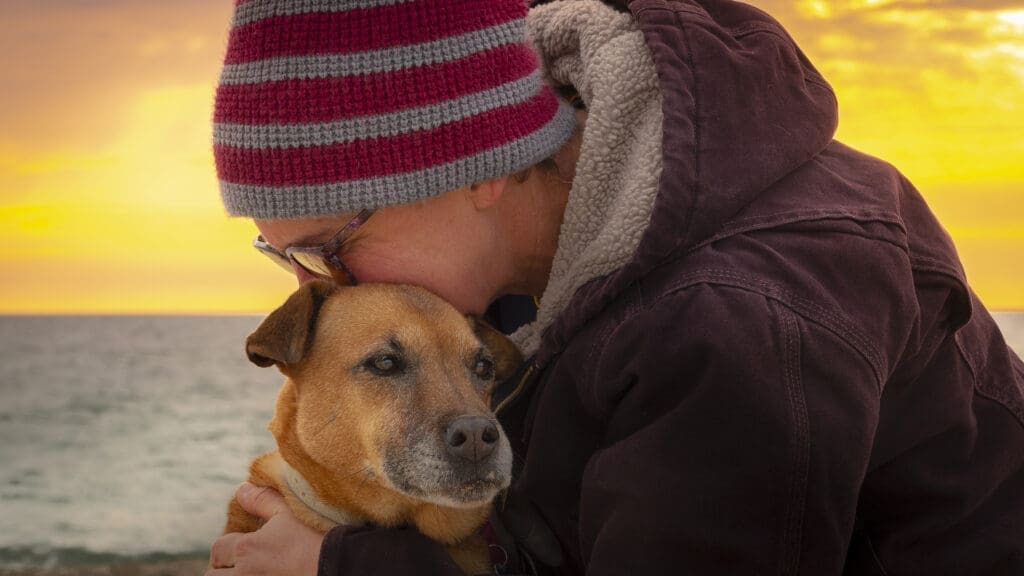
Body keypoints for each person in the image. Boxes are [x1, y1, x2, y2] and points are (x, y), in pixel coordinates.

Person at [206, 0, 1024, 574]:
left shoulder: (733, 318)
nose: (332, 288)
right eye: (292, 261)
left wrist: (340, 568)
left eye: (332, 246)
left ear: (476, 172)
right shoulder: (527, 265)